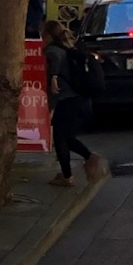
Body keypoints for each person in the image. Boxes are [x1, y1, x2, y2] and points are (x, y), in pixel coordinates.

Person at [41, 19, 105, 187]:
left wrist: (53, 75)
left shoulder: (53, 50)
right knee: (65, 137)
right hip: (80, 100)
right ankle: (75, 168)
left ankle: (72, 172)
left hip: (68, 101)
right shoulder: (69, 49)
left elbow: (54, 60)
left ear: (47, 35)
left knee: (61, 137)